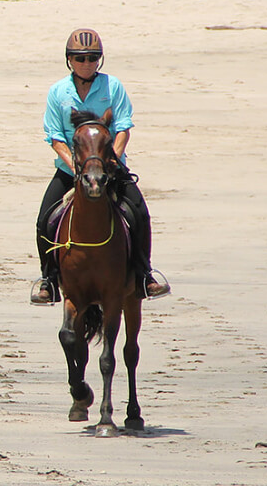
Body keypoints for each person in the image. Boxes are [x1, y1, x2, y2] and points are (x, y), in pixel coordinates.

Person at [30, 28, 170, 305]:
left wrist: (112, 163)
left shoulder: (113, 87)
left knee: (140, 214)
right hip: (72, 171)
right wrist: (77, 170)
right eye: (80, 58)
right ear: (69, 60)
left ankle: (144, 274)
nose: (86, 63)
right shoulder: (58, 92)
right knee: (45, 219)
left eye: (93, 58)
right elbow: (55, 136)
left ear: (100, 60)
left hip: (110, 169)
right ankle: (48, 279)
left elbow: (122, 129)